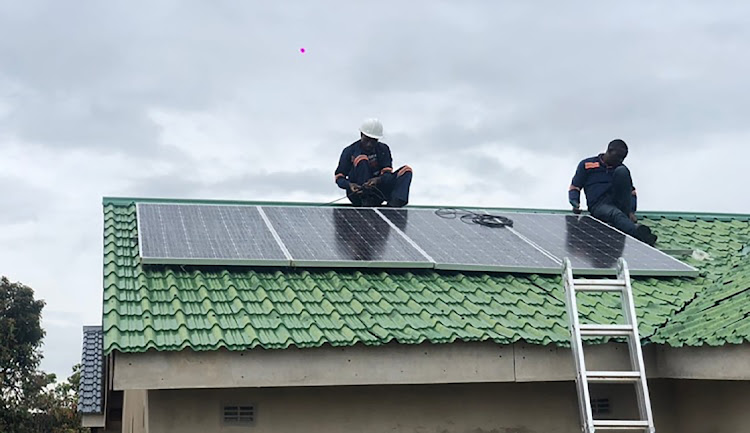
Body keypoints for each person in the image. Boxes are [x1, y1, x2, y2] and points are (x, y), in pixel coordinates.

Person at [568, 139, 658, 246]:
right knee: (616, 214)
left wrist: (631, 211)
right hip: (599, 204)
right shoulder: (587, 164)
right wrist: (575, 202)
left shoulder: (620, 167)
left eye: (623, 158)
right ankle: (639, 233)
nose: (620, 160)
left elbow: (631, 191)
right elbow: (575, 186)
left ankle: (632, 226)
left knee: (622, 171)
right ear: (609, 151)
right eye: (618, 157)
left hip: (619, 202)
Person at [334, 118, 413, 207]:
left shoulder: (383, 149)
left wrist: (378, 180)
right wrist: (349, 185)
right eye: (367, 140)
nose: (369, 144)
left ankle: (395, 204)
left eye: (373, 141)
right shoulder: (350, 151)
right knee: (361, 158)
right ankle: (366, 199)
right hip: (358, 194)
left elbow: (387, 174)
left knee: (406, 170)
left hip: (379, 191)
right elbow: (339, 177)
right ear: (361, 134)